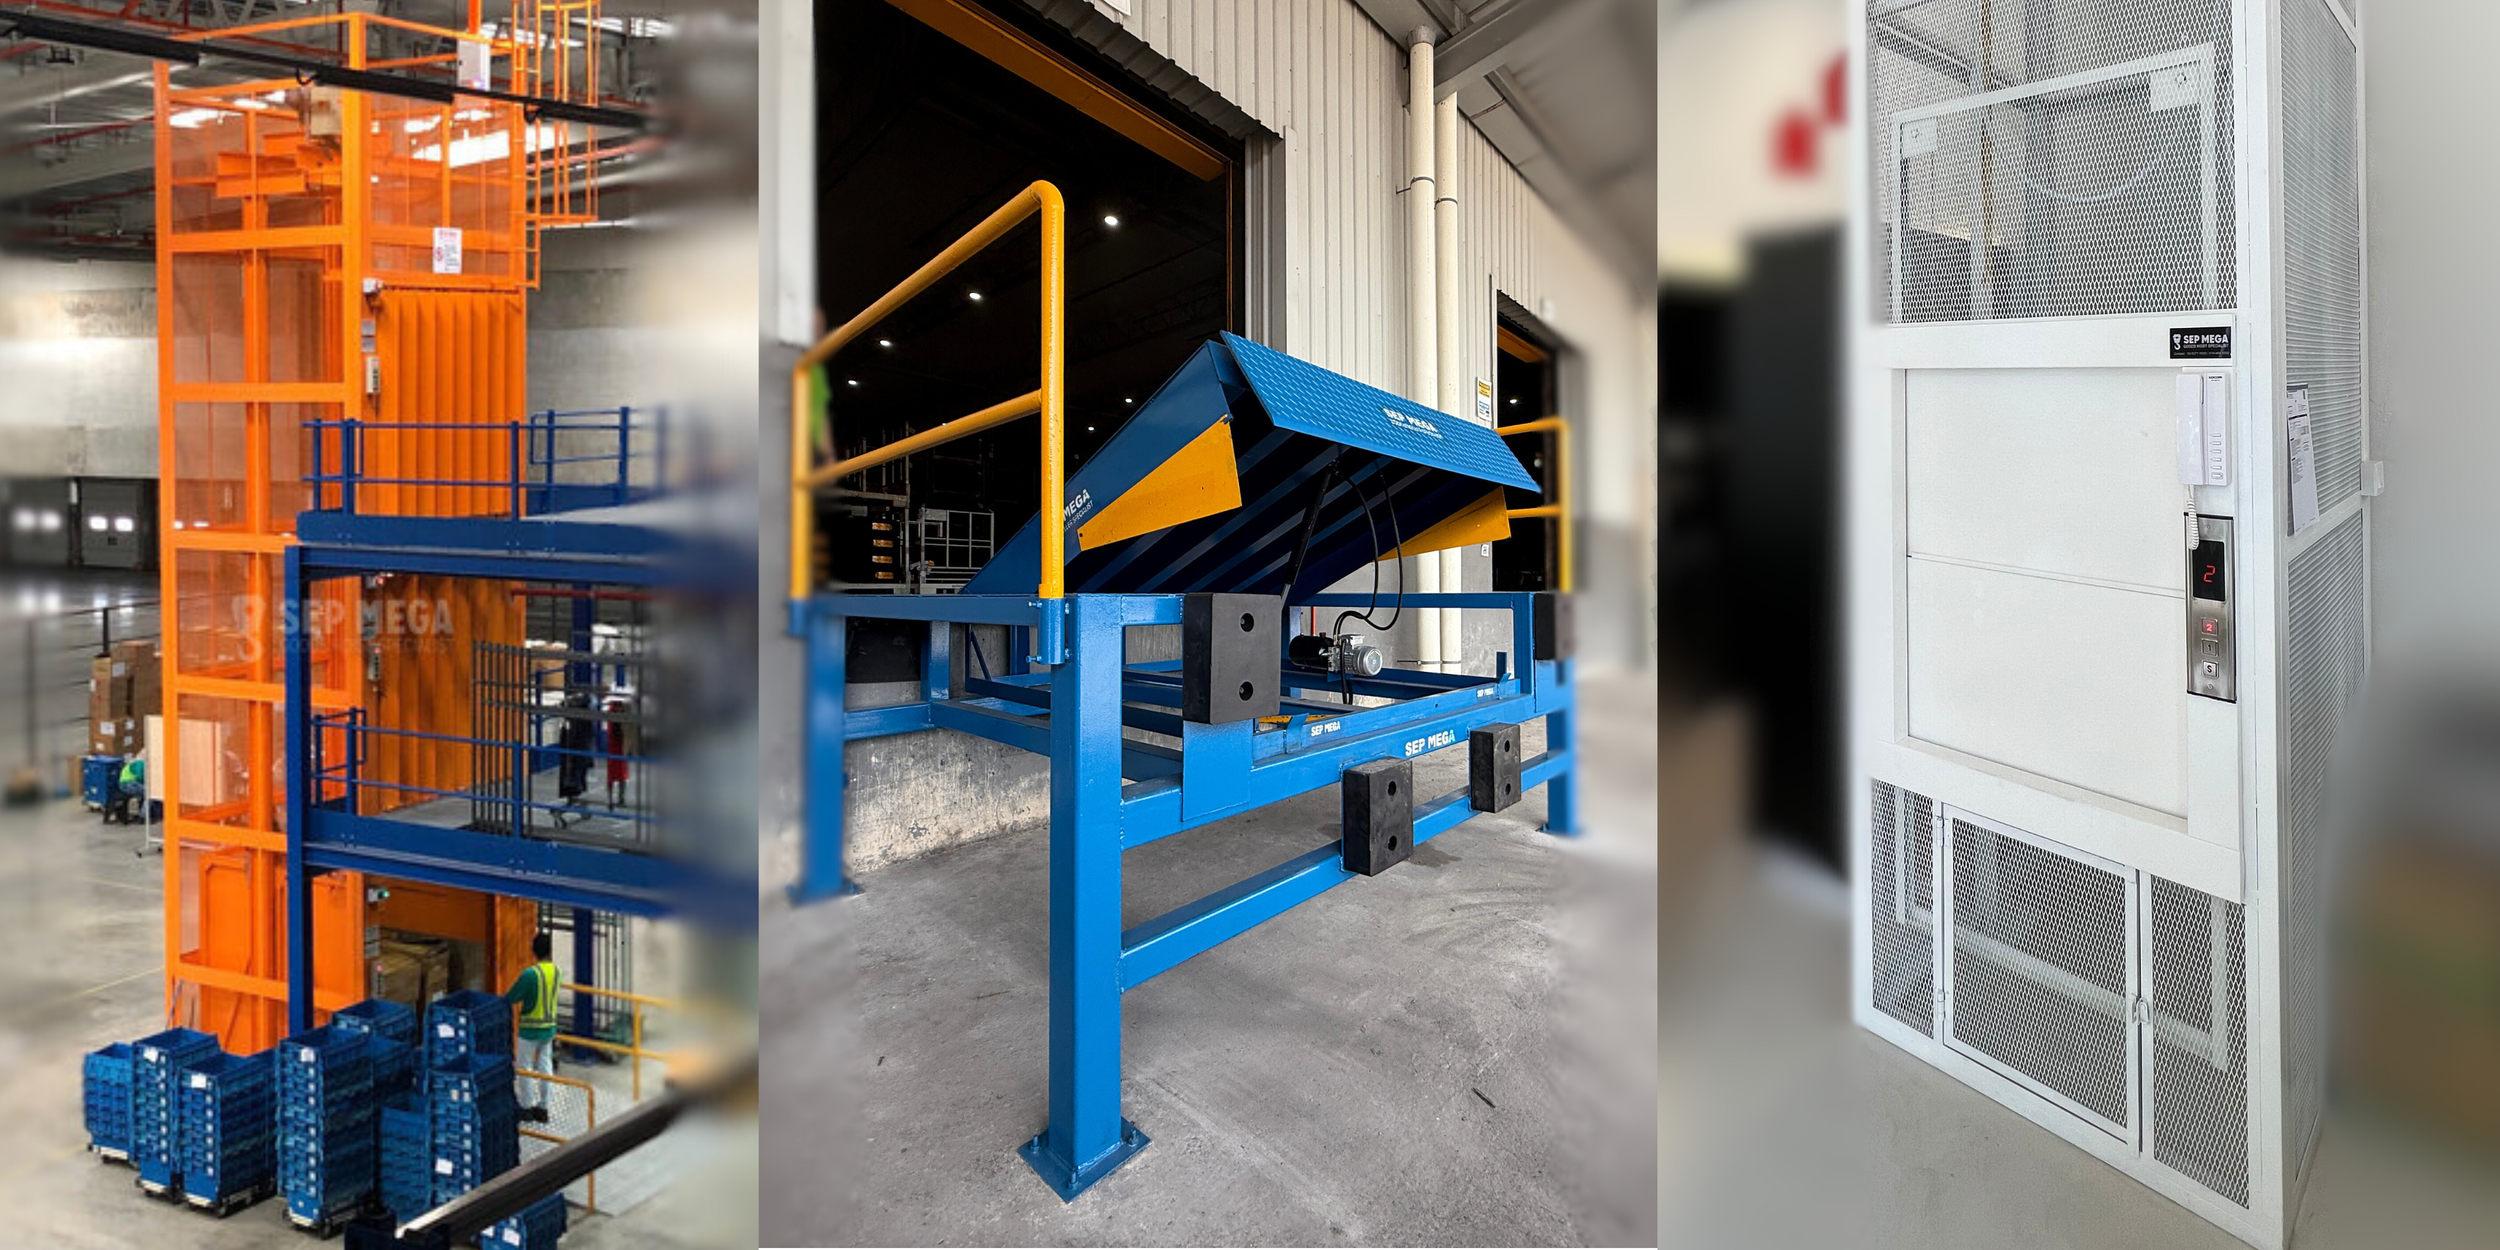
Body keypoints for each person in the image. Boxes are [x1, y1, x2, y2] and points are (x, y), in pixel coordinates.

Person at [503, 932, 562, 1124]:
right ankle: (543, 1107)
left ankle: (526, 1108)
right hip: (549, 1029)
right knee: (545, 1066)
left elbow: (512, 997)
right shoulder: (557, 971)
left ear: (533, 951)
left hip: (529, 1030)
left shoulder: (531, 974)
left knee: (525, 1067)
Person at [110, 754, 145, 825]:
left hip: (125, 784)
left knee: (142, 793)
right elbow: (139, 777)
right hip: (128, 784)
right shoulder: (140, 763)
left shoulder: (133, 763)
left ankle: (140, 811)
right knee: (148, 793)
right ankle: (143, 816)